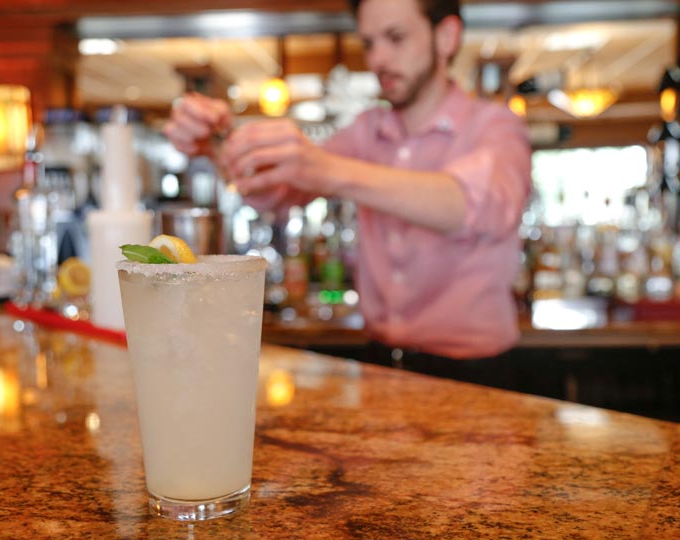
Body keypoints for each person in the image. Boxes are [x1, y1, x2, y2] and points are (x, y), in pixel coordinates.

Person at [164, 0, 532, 384]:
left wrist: (323, 168)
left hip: (475, 374)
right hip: (379, 367)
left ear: (447, 36)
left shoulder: (496, 127)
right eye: (370, 43)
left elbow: (469, 206)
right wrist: (218, 145)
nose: (379, 59)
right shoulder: (365, 130)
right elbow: (278, 190)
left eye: (396, 37)